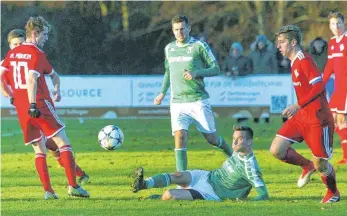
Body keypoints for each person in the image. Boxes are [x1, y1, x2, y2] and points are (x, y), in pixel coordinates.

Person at [0, 16, 89, 199]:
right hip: (38, 104)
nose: (47, 38)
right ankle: (73, 186)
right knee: (63, 143)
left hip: (21, 107)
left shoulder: (12, 54)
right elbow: (32, 79)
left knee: (39, 150)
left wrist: (11, 96)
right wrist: (34, 103)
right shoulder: (36, 53)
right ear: (35, 33)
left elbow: (2, 75)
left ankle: (48, 192)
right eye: (45, 34)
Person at [153, 15, 232, 172]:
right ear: (172, 31)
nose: (180, 32)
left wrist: (197, 72)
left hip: (197, 100)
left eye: (182, 29)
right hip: (177, 102)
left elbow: (216, 68)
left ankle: (233, 157)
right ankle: (181, 179)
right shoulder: (169, 49)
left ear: (189, 28)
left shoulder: (199, 46)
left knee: (212, 139)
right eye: (176, 30)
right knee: (180, 137)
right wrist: (162, 93)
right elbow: (168, 72)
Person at [271, 25, 339, 204]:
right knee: (276, 150)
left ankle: (333, 192)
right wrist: (299, 108)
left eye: (282, 42)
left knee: (321, 164)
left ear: (293, 43)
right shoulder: (293, 61)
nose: (278, 46)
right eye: (278, 42)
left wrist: (297, 105)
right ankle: (306, 165)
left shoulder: (304, 60)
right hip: (302, 116)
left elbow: (319, 87)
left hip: (318, 119)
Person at [131, 125, 269, 201]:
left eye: (239, 139)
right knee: (177, 175)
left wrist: (247, 201)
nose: (234, 142)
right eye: (234, 138)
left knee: (170, 194)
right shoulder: (238, 151)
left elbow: (263, 194)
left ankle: (156, 198)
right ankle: (144, 184)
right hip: (206, 176)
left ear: (249, 141)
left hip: (211, 192)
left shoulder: (250, 167)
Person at [323, 12, 347, 165]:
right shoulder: (332, 42)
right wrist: (321, 82)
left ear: (344, 23)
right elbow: (330, 66)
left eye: (338, 23)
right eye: (333, 24)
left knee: (341, 119)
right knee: (334, 119)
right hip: (339, 87)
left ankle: (346, 156)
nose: (336, 26)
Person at [308, 37, 334, 101]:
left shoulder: (326, 51)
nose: (318, 45)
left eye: (320, 43)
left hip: (329, 76)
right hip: (316, 77)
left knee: (331, 93)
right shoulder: (311, 53)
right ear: (313, 45)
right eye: (316, 44)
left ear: (323, 44)